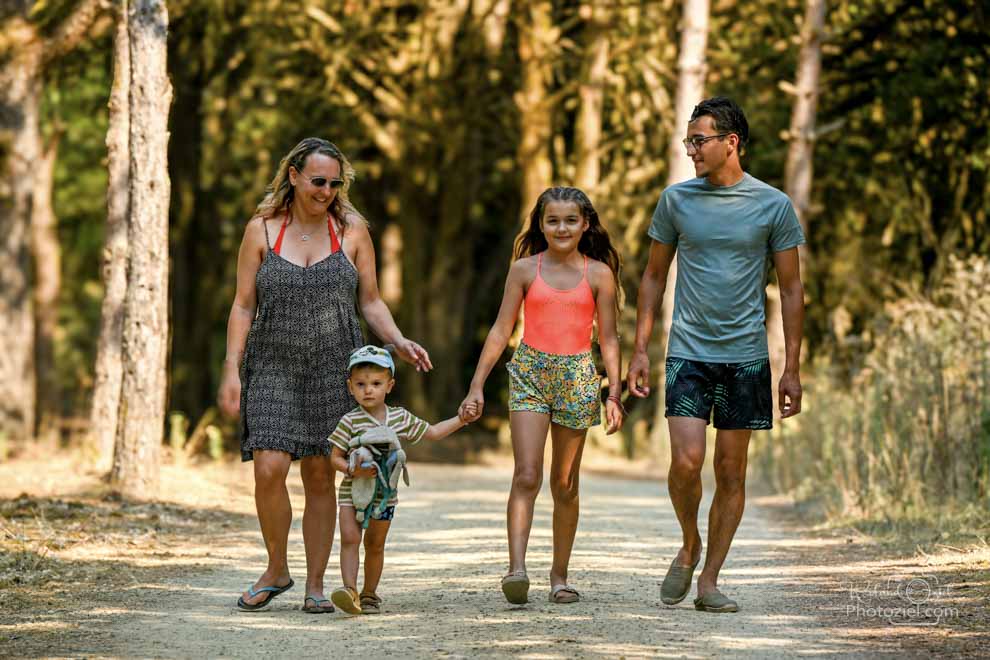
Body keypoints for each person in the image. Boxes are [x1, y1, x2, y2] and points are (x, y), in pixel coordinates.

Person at [217, 138, 432, 613]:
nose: (327, 191)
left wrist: (397, 342)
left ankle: (316, 585)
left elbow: (371, 301)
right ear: (293, 176)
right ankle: (277, 568)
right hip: (272, 363)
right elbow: (242, 304)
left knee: (319, 474)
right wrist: (231, 366)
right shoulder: (262, 231)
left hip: (337, 365)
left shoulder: (352, 230)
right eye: (318, 181)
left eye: (336, 183)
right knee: (269, 469)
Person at [626, 97, 805, 614]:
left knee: (731, 473)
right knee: (686, 463)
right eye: (688, 142)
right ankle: (689, 541)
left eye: (698, 141)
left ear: (731, 142)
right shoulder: (676, 201)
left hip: (747, 357)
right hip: (687, 352)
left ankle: (709, 578)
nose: (691, 151)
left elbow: (792, 291)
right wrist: (640, 349)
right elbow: (653, 276)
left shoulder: (773, 206)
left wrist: (791, 368)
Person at [459, 186, 624, 605]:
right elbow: (500, 329)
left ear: (585, 224)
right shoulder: (524, 270)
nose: (562, 227)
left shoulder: (599, 275)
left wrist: (614, 393)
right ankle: (516, 570)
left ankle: (560, 576)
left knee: (565, 484)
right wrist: (477, 384)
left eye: (571, 220)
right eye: (552, 220)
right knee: (526, 474)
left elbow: (609, 339)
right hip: (530, 372)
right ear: (541, 224)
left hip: (578, 377)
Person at [328, 345, 473, 615]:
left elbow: (432, 432)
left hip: (385, 496)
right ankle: (350, 591)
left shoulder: (399, 418)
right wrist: (352, 470)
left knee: (375, 544)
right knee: (350, 538)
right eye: (360, 384)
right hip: (352, 492)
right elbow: (334, 457)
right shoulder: (349, 421)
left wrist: (461, 420)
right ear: (350, 387)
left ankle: (369, 593)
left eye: (375, 383)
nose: (368, 390)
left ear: (390, 385)